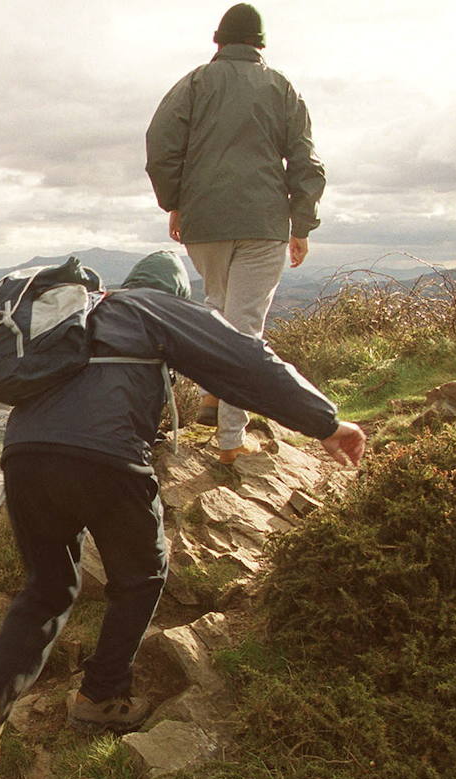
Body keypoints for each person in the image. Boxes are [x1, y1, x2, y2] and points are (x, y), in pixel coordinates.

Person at [0, 250, 364, 767]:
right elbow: (245, 360)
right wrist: (326, 422)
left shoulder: (77, 315)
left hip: (26, 458)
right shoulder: (153, 307)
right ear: (175, 294)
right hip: (109, 460)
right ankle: (101, 696)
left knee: (47, 588)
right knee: (142, 577)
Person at [145, 3, 325, 463]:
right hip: (264, 223)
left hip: (204, 222)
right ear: (261, 45)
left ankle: (213, 397)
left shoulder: (193, 84)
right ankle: (230, 441)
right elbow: (305, 162)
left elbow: (160, 147)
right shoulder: (281, 87)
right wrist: (301, 223)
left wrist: (176, 202)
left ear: (218, 40)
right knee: (245, 327)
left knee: (216, 313)